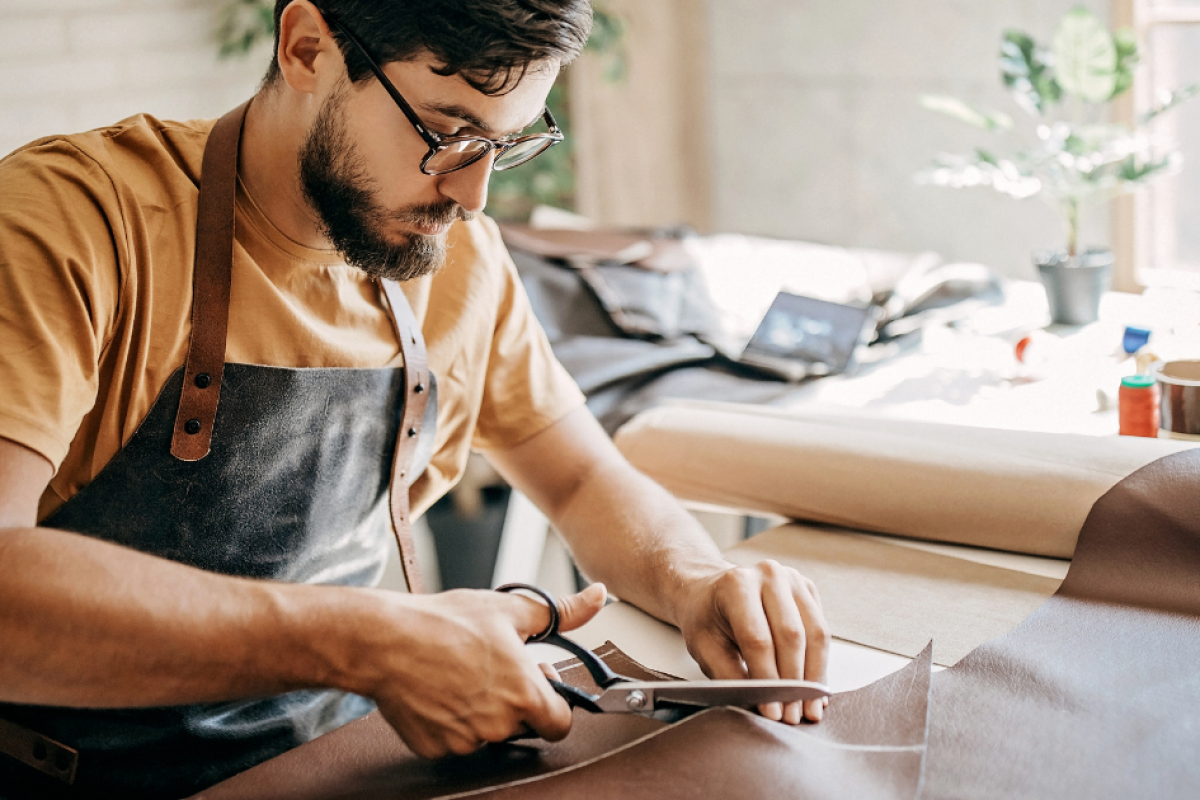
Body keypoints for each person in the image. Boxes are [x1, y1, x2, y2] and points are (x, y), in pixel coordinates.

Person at [0, 1, 829, 797]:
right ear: (307, 49)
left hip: (346, 757)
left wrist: (697, 579)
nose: (472, 196)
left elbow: (578, 479)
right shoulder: (72, 221)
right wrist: (368, 642)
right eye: (448, 133)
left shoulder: (459, 258)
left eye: (504, 146)